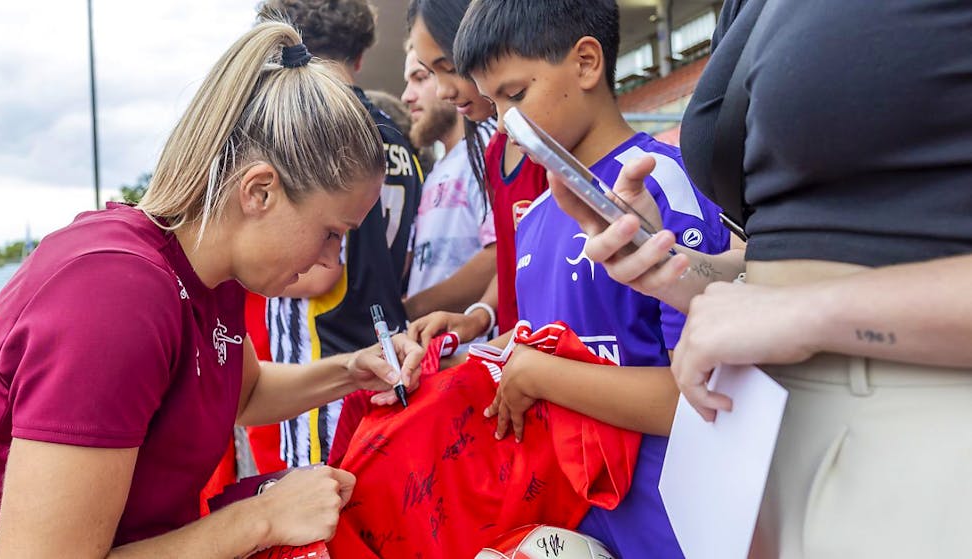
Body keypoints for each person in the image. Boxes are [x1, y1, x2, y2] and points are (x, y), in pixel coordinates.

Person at [0, 21, 423, 557]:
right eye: (331, 232)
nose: (332, 259)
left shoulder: (210, 278)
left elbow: (246, 394)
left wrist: (351, 370)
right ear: (259, 191)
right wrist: (262, 518)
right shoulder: (115, 300)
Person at [549, 1, 972, 557]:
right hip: (758, 445)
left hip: (916, 431)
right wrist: (672, 269)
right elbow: (771, 253)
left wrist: (810, 311)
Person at [453, 0, 730, 555]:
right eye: (493, 106)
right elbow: (548, 341)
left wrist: (541, 376)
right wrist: (458, 352)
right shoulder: (536, 219)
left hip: (674, 531)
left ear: (585, 63)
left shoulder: (659, 185)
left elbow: (703, 399)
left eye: (515, 95)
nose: (504, 124)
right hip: (577, 524)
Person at [258, 0, 423, 467]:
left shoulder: (315, 129)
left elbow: (321, 273)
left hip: (323, 365)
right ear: (361, 55)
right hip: (386, 352)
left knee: (322, 497)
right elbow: (402, 260)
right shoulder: (395, 136)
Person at [405, 0, 549, 346]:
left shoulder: (545, 149)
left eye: (450, 68)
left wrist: (467, 360)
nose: (443, 90)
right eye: (431, 73)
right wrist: (480, 315)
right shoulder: (495, 150)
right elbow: (513, 262)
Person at [400, 47, 497, 322]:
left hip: (477, 341)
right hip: (435, 343)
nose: (407, 96)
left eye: (420, 78)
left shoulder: (488, 145)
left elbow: (501, 255)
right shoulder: (436, 171)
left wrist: (409, 310)